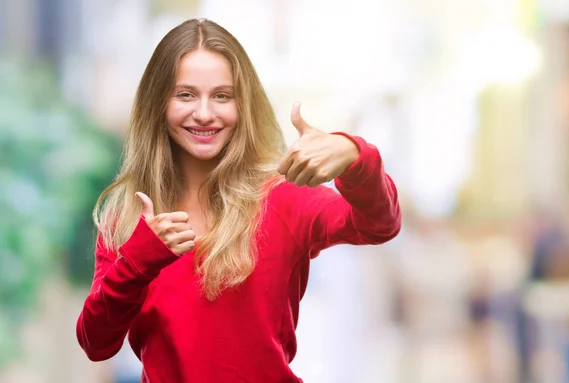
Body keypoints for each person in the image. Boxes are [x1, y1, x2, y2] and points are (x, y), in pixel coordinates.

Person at [76, 18, 401, 383]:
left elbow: (379, 225)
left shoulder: (283, 197)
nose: (203, 113)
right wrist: (139, 260)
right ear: (157, 103)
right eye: (185, 94)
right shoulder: (128, 218)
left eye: (221, 95)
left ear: (242, 105)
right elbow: (95, 342)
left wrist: (356, 155)